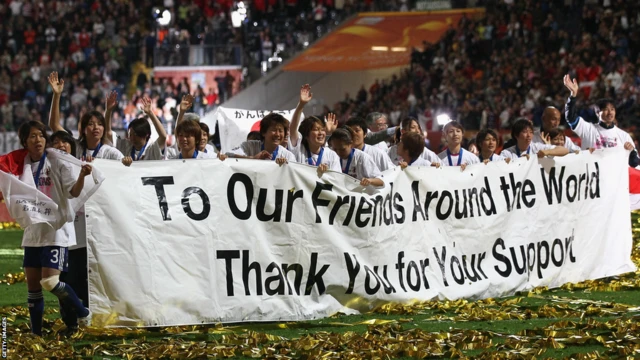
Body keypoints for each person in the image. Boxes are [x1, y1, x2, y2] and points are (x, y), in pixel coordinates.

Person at [17, 121, 93, 336]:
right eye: (32, 136)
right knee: (33, 288)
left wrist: (81, 177)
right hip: (33, 232)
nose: (37, 139)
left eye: (41, 135)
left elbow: (73, 193)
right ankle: (36, 334)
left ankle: (82, 311)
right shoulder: (21, 164)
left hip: (55, 231)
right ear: (24, 141)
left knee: (50, 281)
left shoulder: (56, 161)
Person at [563, 74, 638, 166]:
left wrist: (631, 153)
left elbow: (635, 164)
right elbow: (571, 118)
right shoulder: (588, 129)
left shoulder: (624, 136)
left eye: (612, 109)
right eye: (606, 109)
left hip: (613, 179)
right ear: (597, 112)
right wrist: (573, 95)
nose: (610, 112)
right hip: (592, 178)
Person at [47, 72, 124, 162]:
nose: (96, 127)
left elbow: (127, 167)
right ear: (83, 129)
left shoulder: (110, 152)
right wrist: (57, 95)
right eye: (91, 124)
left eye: (100, 124)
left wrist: (127, 160)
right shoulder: (76, 147)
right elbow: (54, 125)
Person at [288, 85, 341, 173]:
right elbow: (293, 128)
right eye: (316, 129)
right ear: (307, 135)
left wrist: (326, 173)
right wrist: (301, 105)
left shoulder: (331, 155)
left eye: (322, 129)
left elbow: (337, 179)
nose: (321, 132)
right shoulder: (298, 150)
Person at [227, 113, 296, 165]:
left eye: (280, 131)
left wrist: (286, 166)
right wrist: (253, 158)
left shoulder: (288, 156)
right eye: (273, 130)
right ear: (263, 132)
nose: (277, 134)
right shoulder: (250, 146)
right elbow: (228, 155)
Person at [117, 96, 168, 165]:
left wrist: (150, 113)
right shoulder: (127, 146)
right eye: (130, 134)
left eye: (136, 134)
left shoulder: (152, 149)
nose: (132, 138)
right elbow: (108, 135)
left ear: (146, 134)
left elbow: (163, 136)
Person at [500, 119, 570, 159]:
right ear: (516, 135)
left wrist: (547, 152)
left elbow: (564, 150)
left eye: (531, 132)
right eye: (525, 132)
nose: (529, 135)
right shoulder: (506, 153)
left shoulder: (537, 147)